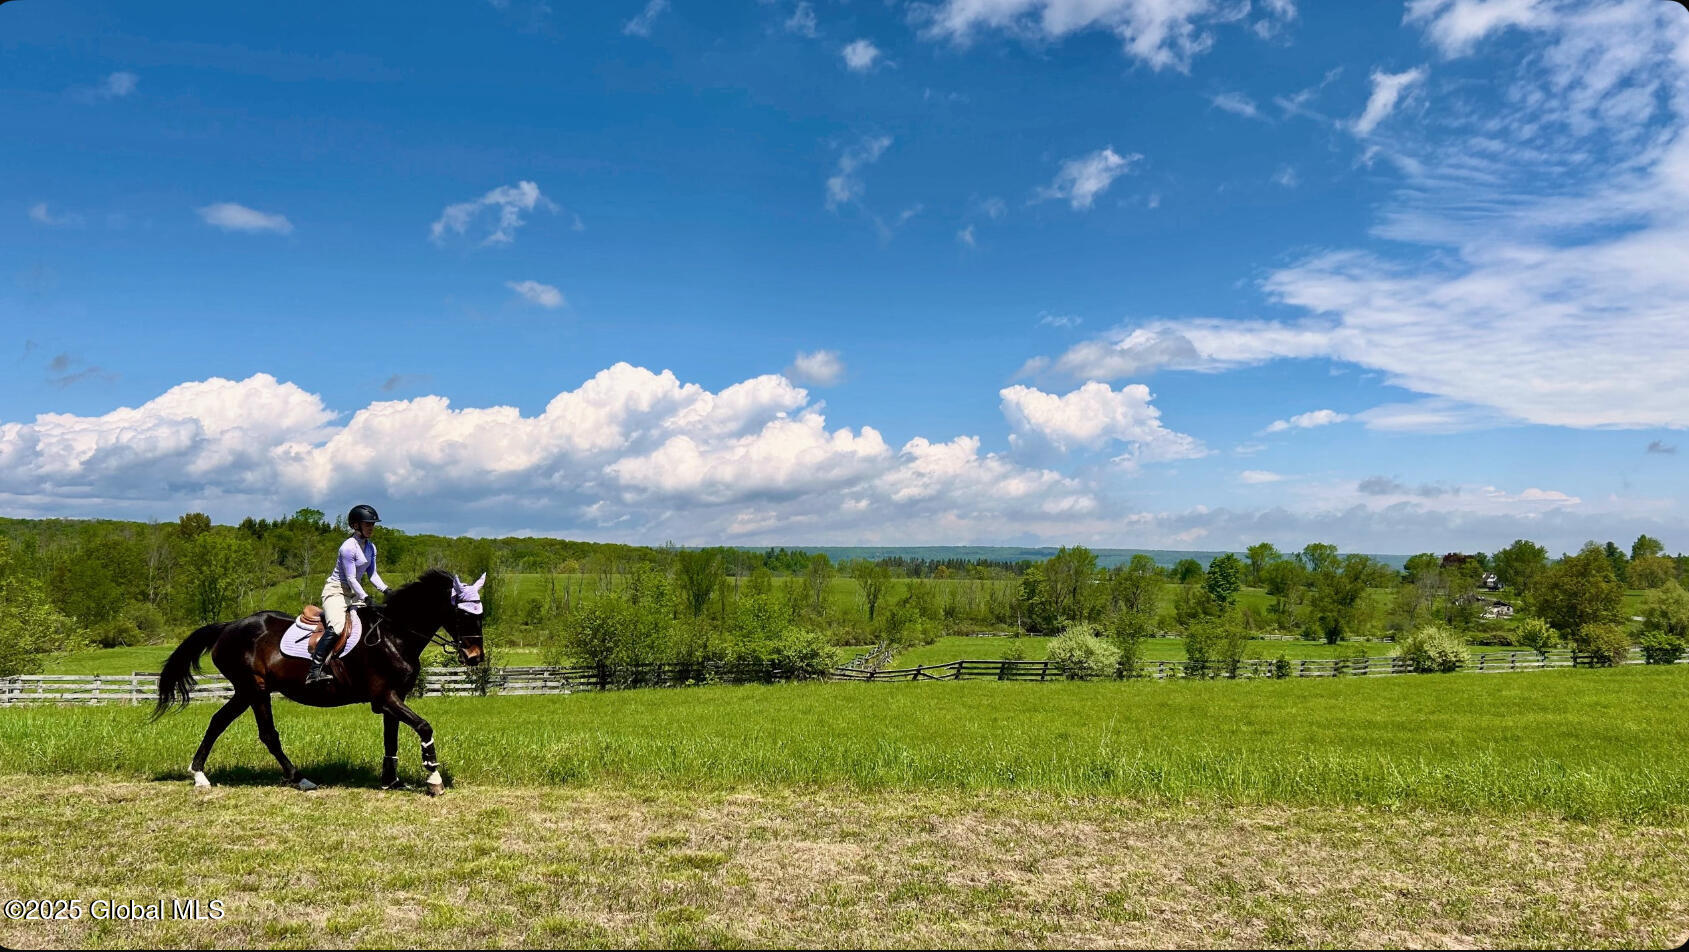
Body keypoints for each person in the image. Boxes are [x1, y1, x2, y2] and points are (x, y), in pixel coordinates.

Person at [306, 504, 390, 684]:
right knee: (336, 626)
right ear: (355, 525)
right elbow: (351, 578)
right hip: (336, 591)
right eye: (368, 524)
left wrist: (386, 590)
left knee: (374, 621)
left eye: (372, 524)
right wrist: (366, 598)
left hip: (353, 593)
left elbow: (372, 574)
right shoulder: (348, 547)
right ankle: (314, 670)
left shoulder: (371, 547)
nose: (371, 528)